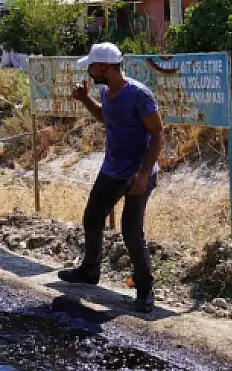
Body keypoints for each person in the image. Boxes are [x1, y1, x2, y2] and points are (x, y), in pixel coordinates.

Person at [59, 42, 164, 313]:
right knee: (92, 218)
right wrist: (85, 100)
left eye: (92, 67)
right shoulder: (106, 92)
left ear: (105, 67)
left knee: (131, 232)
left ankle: (144, 289)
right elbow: (107, 119)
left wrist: (142, 175)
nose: (90, 72)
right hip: (112, 169)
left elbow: (157, 135)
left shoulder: (139, 94)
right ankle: (90, 270)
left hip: (137, 175)